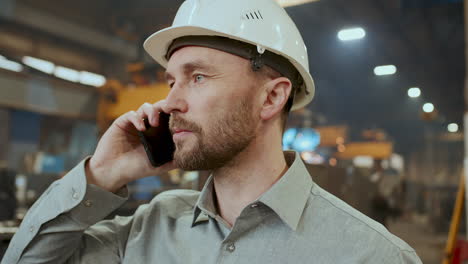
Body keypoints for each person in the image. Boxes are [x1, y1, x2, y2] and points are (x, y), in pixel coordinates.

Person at [2, 0, 422, 263]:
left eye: (198, 77)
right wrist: (101, 175)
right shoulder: (149, 229)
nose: (168, 103)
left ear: (271, 98)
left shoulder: (370, 254)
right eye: (171, 81)